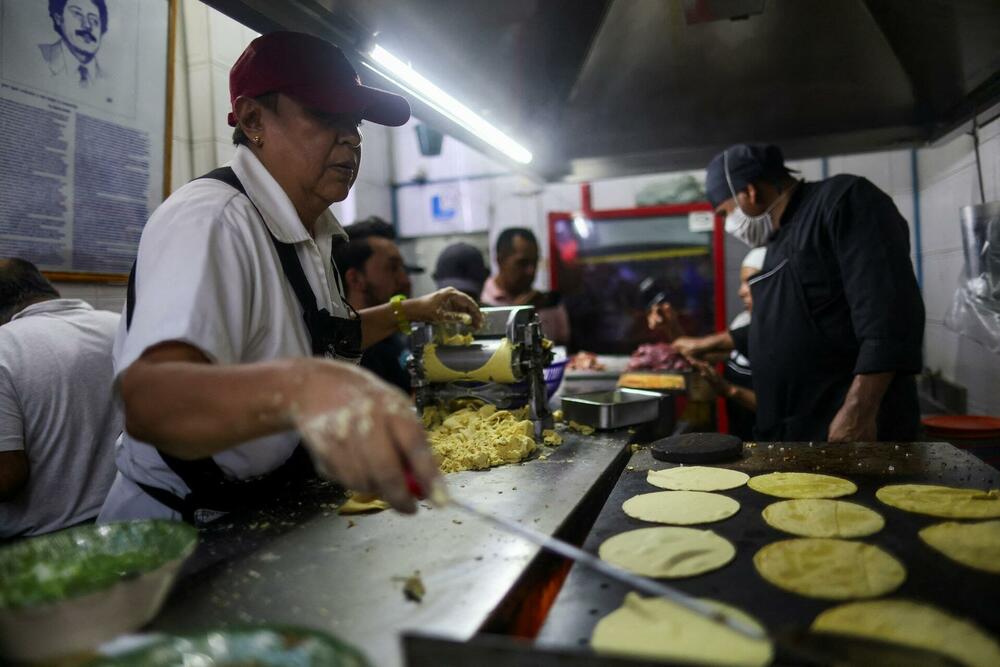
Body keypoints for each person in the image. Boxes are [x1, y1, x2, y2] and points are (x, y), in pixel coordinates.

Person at [98, 32, 480, 525]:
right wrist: (304, 388)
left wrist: (411, 310)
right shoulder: (213, 221)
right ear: (254, 120)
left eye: (355, 122)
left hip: (262, 511)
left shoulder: (308, 230)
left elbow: (316, 337)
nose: (352, 138)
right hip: (180, 534)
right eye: (326, 116)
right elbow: (152, 403)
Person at [704, 143, 924, 442]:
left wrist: (859, 410)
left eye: (724, 212)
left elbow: (890, 315)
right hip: (796, 434)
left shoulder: (844, 200)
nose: (727, 223)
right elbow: (787, 326)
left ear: (749, 192)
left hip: (847, 431)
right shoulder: (776, 242)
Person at [0, 259, 120, 538]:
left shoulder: (5, 347)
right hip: (130, 522)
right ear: (47, 288)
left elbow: (7, 477)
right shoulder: (121, 326)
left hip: (43, 546)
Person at [648, 248, 765, 440]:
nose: (741, 292)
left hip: (771, 441)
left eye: (749, 283)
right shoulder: (744, 321)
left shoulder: (779, 334)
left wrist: (729, 390)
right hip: (741, 435)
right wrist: (671, 324)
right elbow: (698, 355)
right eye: (742, 283)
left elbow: (781, 409)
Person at [333, 216, 420, 393]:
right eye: (392, 268)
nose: (404, 280)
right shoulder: (349, 360)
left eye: (403, 269)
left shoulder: (391, 340)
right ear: (356, 279)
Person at [481, 228, 570, 343]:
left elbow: (564, 350)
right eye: (522, 263)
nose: (531, 271)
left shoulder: (548, 304)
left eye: (535, 262)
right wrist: (516, 316)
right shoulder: (481, 303)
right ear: (500, 260)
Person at [39, 0, 107, 88]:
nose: (87, 25)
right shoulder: (36, 56)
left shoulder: (109, 81)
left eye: (94, 20)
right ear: (58, 18)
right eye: (78, 14)